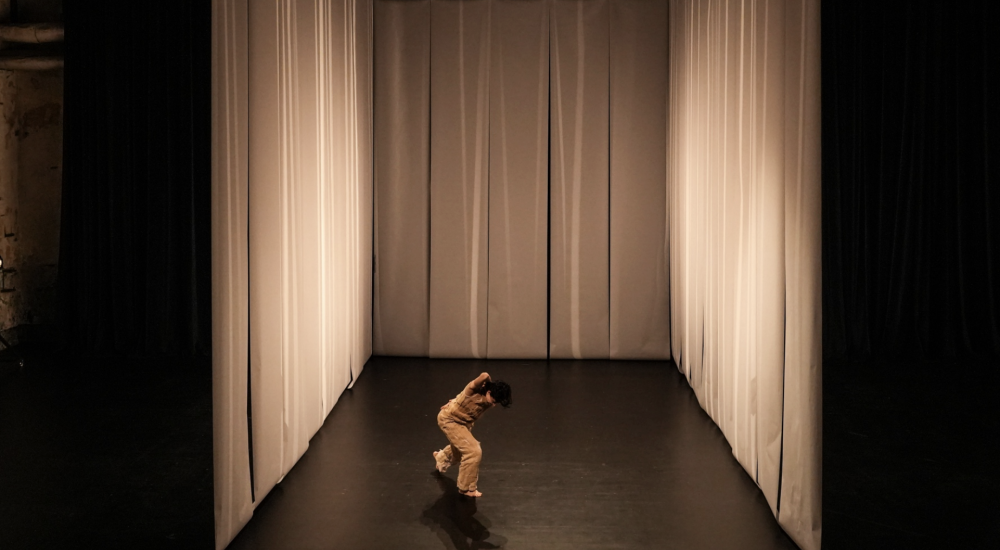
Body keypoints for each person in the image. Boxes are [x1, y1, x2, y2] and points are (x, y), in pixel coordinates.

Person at [433, 372, 512, 498]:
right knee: (473, 451)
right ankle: (466, 488)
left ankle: (441, 458)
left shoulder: (490, 401)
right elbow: (485, 375)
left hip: (464, 424)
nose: (494, 404)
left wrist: (456, 400)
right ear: (489, 391)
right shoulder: (473, 389)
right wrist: (489, 383)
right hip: (450, 421)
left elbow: (461, 399)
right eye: (494, 399)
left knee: (459, 451)